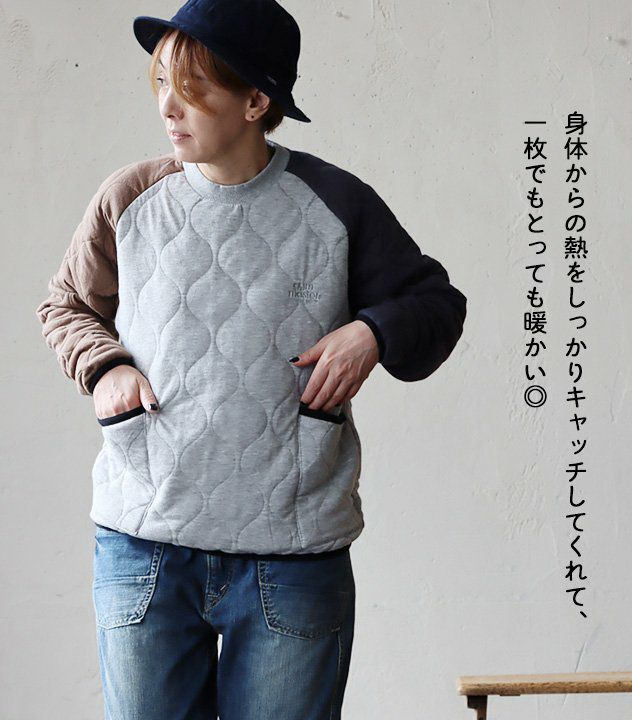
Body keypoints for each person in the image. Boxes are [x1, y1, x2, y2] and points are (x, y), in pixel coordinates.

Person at [35, 0, 467, 717]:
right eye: (162, 83)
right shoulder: (130, 197)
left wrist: (371, 333)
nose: (168, 107)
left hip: (292, 552)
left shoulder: (336, 203)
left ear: (256, 102)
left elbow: (437, 305)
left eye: (192, 88)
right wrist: (106, 367)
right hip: (143, 542)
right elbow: (65, 306)